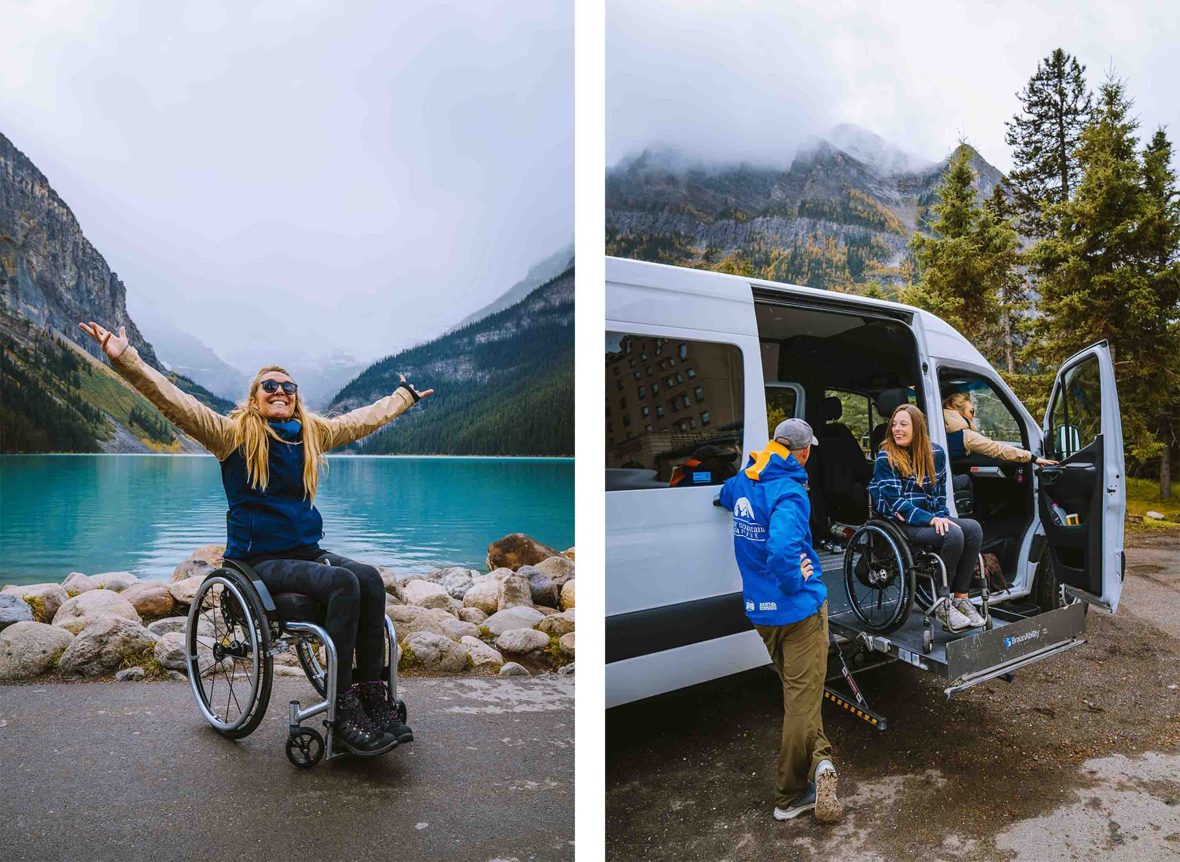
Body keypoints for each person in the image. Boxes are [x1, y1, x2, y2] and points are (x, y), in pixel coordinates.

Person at [80, 321, 431, 756]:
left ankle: (372, 694)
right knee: (343, 584)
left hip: (307, 551)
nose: (280, 390)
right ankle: (342, 711)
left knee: (370, 578)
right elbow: (176, 403)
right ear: (254, 397)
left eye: (288, 385)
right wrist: (125, 359)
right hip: (258, 562)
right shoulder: (231, 435)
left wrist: (402, 399)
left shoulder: (311, 433)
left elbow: (359, 422)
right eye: (270, 385)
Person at [719, 418, 841, 824]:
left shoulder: (746, 478)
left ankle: (821, 760)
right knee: (802, 702)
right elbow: (783, 549)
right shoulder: (790, 490)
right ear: (803, 452)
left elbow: (725, 495)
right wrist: (798, 580)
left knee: (797, 693)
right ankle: (790, 795)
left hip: (761, 612)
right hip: (798, 611)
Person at [868, 404, 985, 632]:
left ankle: (961, 597)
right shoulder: (886, 456)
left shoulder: (936, 454)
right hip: (900, 522)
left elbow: (939, 494)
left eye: (903, 424)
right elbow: (897, 503)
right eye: (894, 424)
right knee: (953, 535)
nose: (896, 429)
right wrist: (931, 520)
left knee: (973, 529)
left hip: (928, 515)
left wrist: (940, 515)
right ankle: (942, 601)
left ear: (918, 427)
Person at [942, 392, 1058, 466]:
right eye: (971, 411)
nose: (973, 415)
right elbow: (997, 449)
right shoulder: (965, 435)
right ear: (959, 411)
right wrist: (1032, 458)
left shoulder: (932, 424)